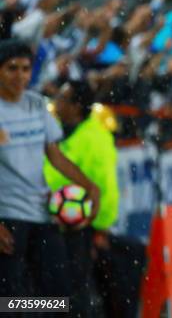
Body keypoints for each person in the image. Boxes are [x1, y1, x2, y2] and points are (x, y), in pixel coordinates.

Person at [0, 39, 100, 298]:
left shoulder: (36, 104)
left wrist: (89, 186)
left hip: (43, 213)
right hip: (7, 218)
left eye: (25, 68)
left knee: (58, 298)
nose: (20, 76)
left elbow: (55, 156)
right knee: (9, 301)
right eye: (12, 68)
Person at [43, 79, 119, 317]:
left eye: (63, 99)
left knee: (73, 288)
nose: (57, 103)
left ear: (76, 106)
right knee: (47, 287)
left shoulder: (96, 138)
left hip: (79, 225)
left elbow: (105, 185)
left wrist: (100, 228)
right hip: (48, 220)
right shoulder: (57, 131)